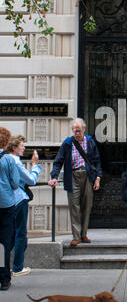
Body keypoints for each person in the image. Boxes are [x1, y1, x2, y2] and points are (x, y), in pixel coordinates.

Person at [48, 118, 102, 246]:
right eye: (74, 131)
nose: (77, 133)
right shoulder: (67, 143)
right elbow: (58, 161)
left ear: (84, 129)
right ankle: (76, 236)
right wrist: (54, 176)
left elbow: (97, 161)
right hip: (72, 176)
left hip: (88, 175)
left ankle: (84, 234)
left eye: (78, 130)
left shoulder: (90, 142)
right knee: (74, 206)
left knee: (86, 205)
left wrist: (98, 178)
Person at [7, 135, 42, 276]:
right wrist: (35, 166)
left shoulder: (5, 159)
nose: (24, 148)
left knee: (9, 234)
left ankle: (5, 266)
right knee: (20, 233)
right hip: (19, 200)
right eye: (22, 145)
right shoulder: (15, 161)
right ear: (15, 148)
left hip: (7, 201)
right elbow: (31, 180)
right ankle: (17, 267)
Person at [0, 127, 20, 291]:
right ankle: (4, 278)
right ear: (6, 142)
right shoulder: (8, 160)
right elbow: (15, 183)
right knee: (5, 242)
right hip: (6, 203)